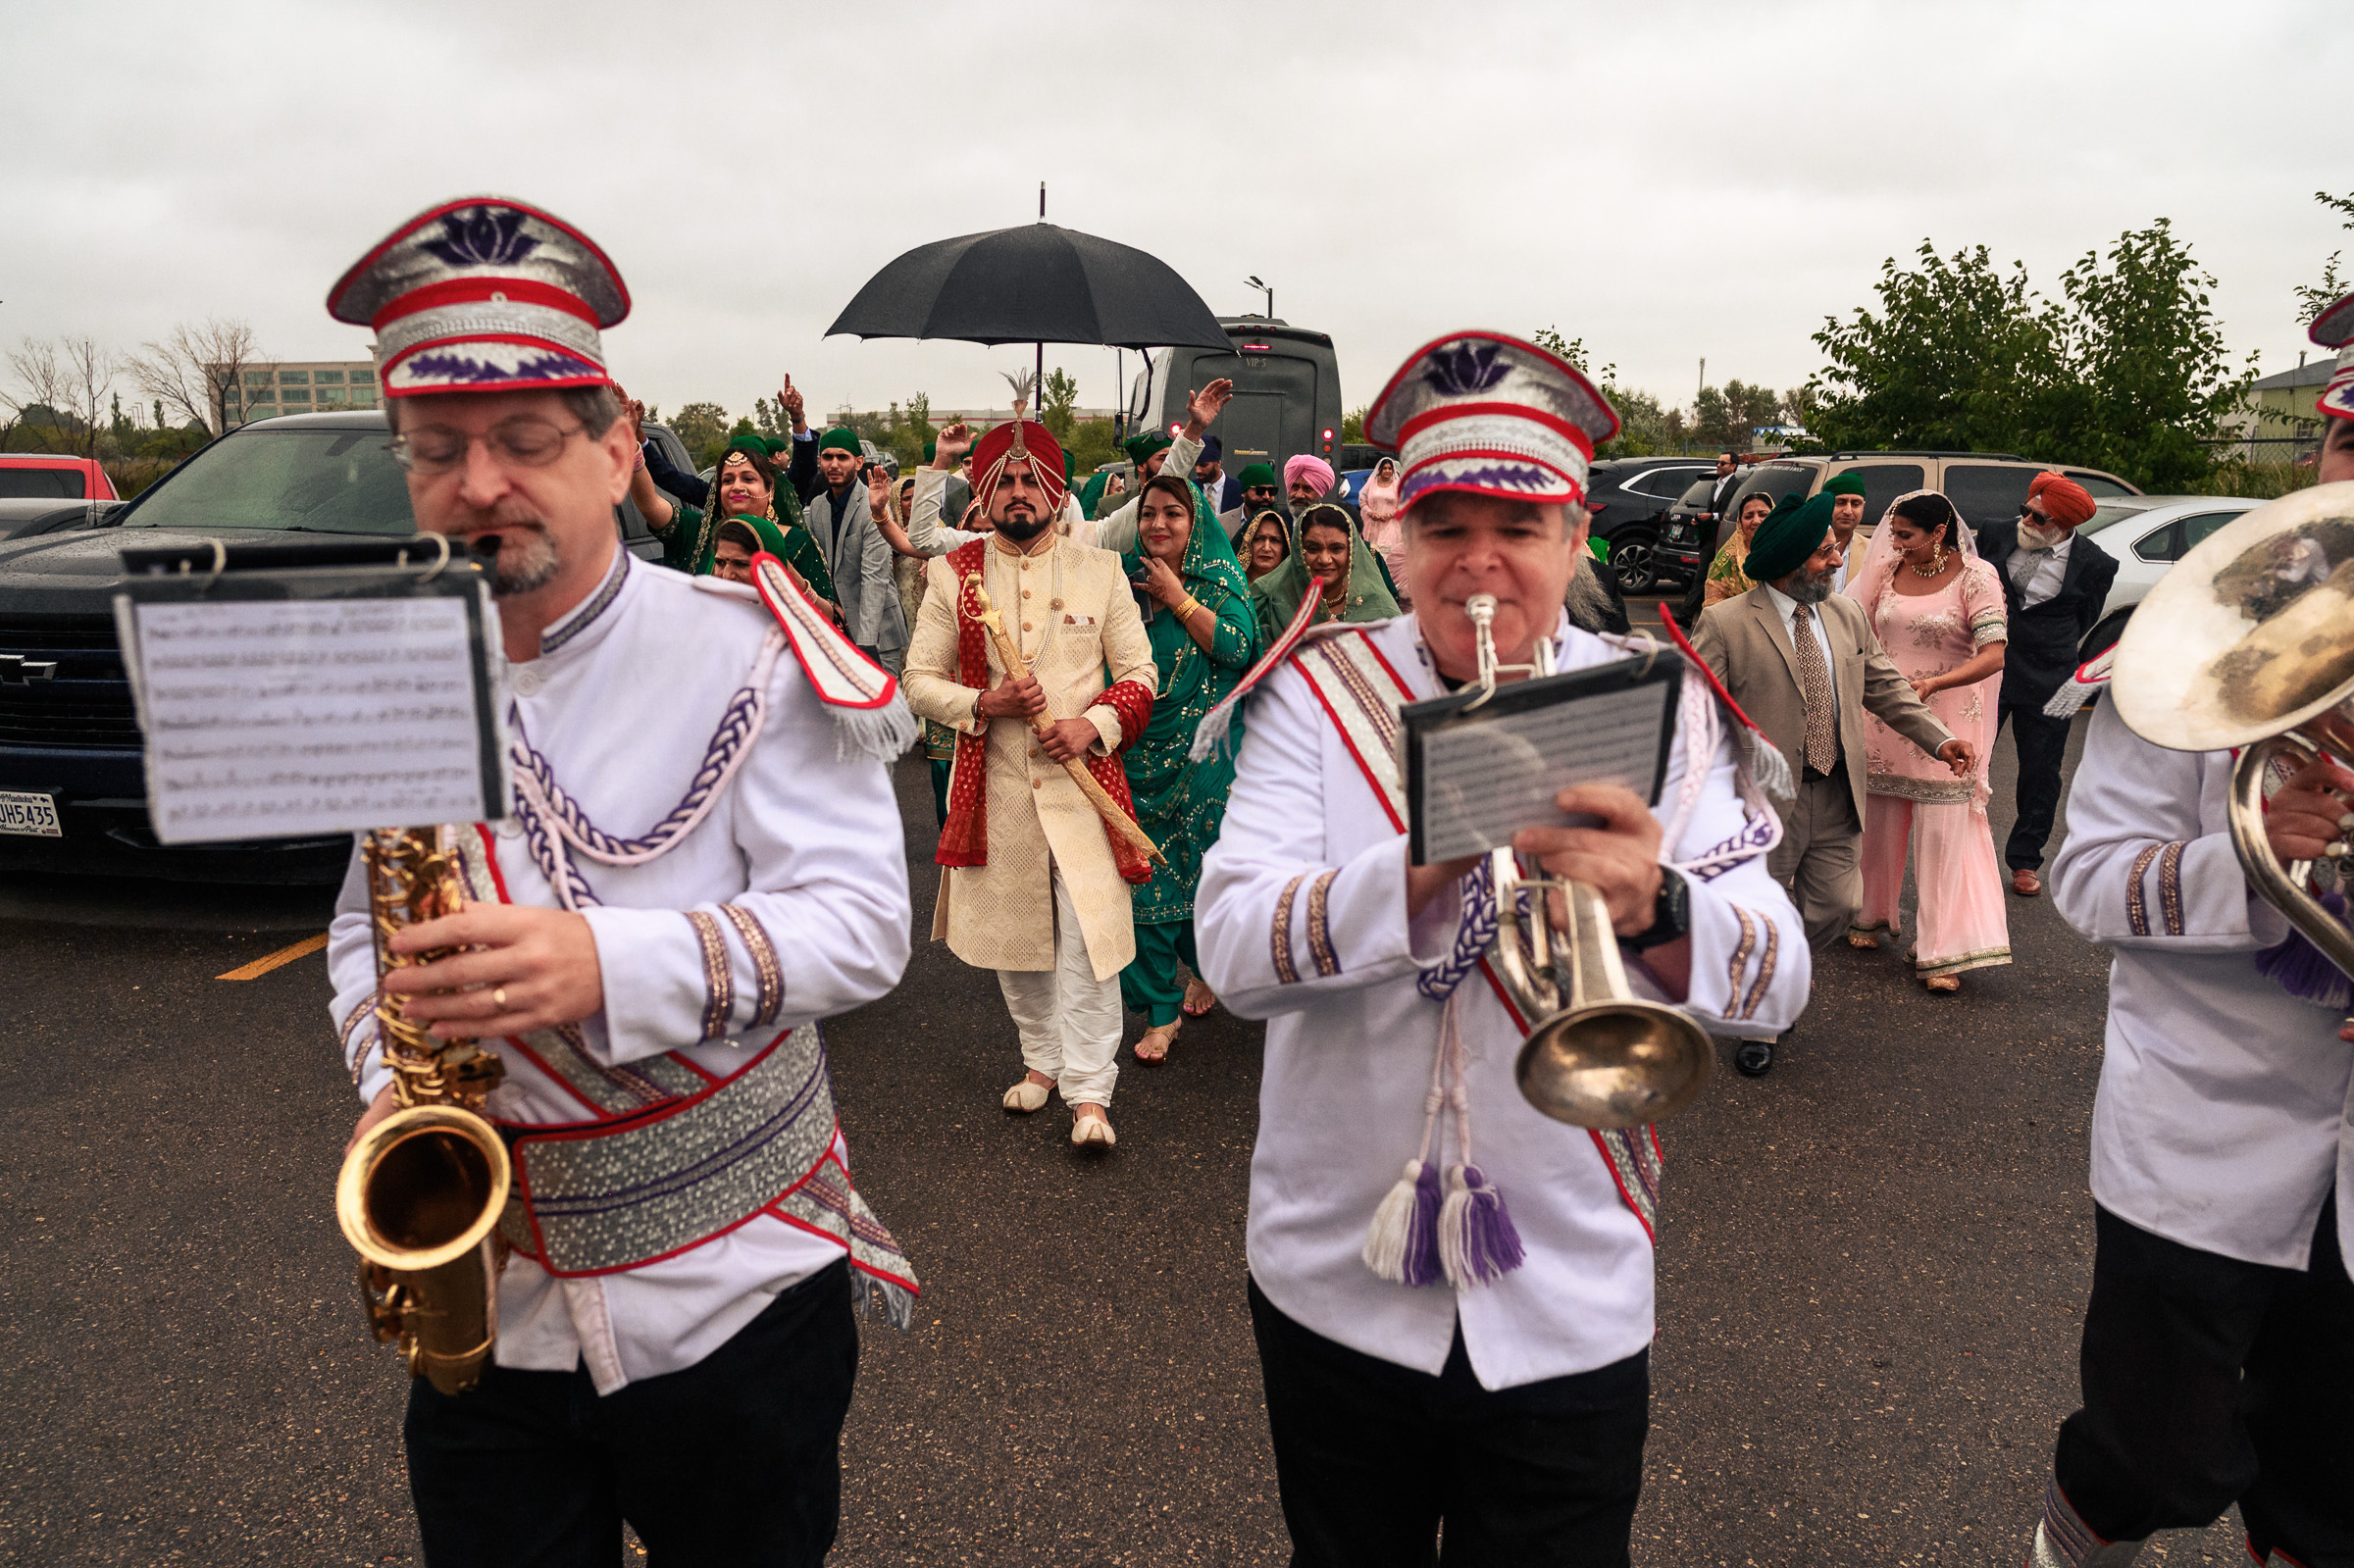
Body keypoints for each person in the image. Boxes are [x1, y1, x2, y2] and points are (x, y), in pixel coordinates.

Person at [321, 195, 919, 1566]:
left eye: (525, 442)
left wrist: (608, 963)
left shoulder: (755, 650)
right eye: (438, 451)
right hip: (492, 1309)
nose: (479, 483)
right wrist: (390, 1090)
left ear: (615, 448)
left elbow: (868, 926)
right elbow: (361, 930)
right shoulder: (387, 672)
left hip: (732, 1298)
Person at [1196, 329, 1809, 1568]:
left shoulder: (1668, 708)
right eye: (1444, 527)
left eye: (1517, 530)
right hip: (1335, 1282)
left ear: (1576, 540)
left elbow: (1780, 986)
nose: (1479, 564)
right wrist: (1420, 865)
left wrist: (1660, 902)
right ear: (1396, 540)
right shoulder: (1315, 697)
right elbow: (1229, 951)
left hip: (1573, 1294)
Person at [2015, 294, 2354, 1568]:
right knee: (2151, 1454)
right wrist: (2265, 864)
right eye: (2345, 453)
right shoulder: (2180, 648)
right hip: (2204, 1141)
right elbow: (2093, 879)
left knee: (2330, 1491)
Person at [900, 414, 1158, 1147]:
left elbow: (1141, 673)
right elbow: (917, 680)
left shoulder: (1099, 569)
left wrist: (1094, 722)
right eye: (1004, 480)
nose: (1019, 492)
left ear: (1053, 486)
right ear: (982, 490)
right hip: (997, 786)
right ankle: (1041, 1062)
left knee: (1086, 938)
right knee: (1015, 940)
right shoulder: (957, 573)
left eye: (1030, 479)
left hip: (1083, 786)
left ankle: (1089, 1092)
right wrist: (985, 702)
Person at [1691, 487, 1972, 1075]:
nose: (1837, 560)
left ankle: (1771, 966)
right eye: (1823, 554)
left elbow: (1886, 685)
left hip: (1838, 788)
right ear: (1791, 562)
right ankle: (1761, 1019)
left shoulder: (1845, 615)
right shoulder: (1726, 624)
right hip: (1761, 804)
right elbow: (1696, 712)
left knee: (1837, 907)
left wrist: (1939, 739)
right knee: (1758, 915)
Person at [1843, 490, 2011, 992]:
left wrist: (1938, 682)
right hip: (1888, 714)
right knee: (1880, 822)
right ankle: (1870, 914)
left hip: (1950, 719)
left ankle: (1941, 949)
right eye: (1893, 535)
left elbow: (1995, 655)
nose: (1894, 544)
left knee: (1942, 836)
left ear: (1939, 532)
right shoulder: (1888, 569)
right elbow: (1853, 625)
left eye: (1906, 535)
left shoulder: (1977, 578)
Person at [1117, 473, 1260, 1061]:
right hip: (1131, 751)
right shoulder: (1120, 575)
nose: (1157, 524)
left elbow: (1237, 649)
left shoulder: (1220, 579)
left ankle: (1205, 967)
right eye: (1148, 513)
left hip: (1203, 760)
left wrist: (1178, 597)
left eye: (1172, 513)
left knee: (1201, 875)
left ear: (1194, 521)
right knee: (1142, 881)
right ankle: (1159, 1009)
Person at [1975, 471, 2119, 898]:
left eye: (2039, 519)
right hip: (1990, 667)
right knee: (1972, 758)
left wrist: (2048, 642)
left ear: (2065, 526)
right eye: (2027, 511)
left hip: (2051, 677)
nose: (2027, 522)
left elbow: (2085, 618)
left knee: (2041, 773)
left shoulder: (2096, 564)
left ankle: (2025, 859)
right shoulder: (1996, 535)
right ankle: (1968, 850)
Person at [628, 427, 837, 604]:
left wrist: (785, 571)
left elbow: (828, 618)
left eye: (748, 479)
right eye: (727, 480)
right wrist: (631, 440)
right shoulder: (699, 532)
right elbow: (649, 504)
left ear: (770, 489)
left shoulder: (796, 543)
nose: (737, 487)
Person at [798, 429, 907, 673]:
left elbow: (875, 577)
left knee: (887, 705)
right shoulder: (817, 507)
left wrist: (866, 643)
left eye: (842, 457)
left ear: (858, 462)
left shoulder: (873, 504)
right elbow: (820, 566)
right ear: (820, 461)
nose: (834, 464)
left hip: (877, 628)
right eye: (827, 457)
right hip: (838, 626)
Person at [1250, 501, 1401, 643]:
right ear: (1299, 552)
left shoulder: (1377, 604)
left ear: (1351, 553)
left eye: (1336, 549)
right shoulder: (1268, 600)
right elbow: (1257, 665)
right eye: (1313, 549)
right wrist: (1304, 640)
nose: (1325, 559)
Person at [1699, 489, 1780, 610]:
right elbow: (1713, 607)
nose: (1756, 521)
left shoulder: (1787, 550)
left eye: (1763, 515)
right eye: (1748, 516)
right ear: (1740, 523)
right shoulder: (1727, 558)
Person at [1359, 455, 1407, 604]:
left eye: (1389, 469)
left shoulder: (1397, 485)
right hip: (1373, 525)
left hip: (1390, 525)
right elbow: (1362, 499)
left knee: (1387, 557)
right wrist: (1370, 512)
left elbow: (1402, 503)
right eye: (1384, 468)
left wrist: (1390, 514)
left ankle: (1388, 590)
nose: (1387, 471)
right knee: (1372, 555)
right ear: (1379, 470)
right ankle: (1371, 588)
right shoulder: (1372, 484)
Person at [1821, 471, 1867, 592]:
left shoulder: (1871, 549)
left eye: (1855, 504)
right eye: (1840, 503)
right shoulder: (1808, 547)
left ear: (1863, 506)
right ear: (1825, 504)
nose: (1848, 511)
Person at [1193, 433, 1240, 515]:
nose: (1198, 470)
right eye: (1195, 465)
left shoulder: (1238, 489)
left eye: (1203, 465)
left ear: (1218, 463)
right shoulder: (1191, 488)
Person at [1241, 509, 1292, 581]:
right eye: (1259, 539)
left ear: (1284, 547)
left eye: (1274, 540)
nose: (1266, 548)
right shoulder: (1232, 583)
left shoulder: (1292, 588)